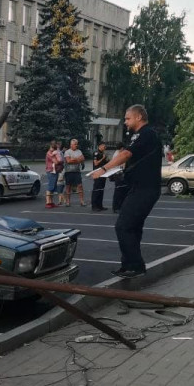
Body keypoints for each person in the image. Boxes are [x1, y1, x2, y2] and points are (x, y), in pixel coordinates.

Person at [90, 104, 162, 279]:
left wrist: (103, 169)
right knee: (133, 228)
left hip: (146, 189)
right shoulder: (138, 136)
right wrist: (120, 175)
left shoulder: (147, 134)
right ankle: (129, 265)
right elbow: (137, 163)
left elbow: (125, 155)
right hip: (138, 187)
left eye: (128, 118)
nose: (125, 122)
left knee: (123, 226)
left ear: (139, 117)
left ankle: (135, 266)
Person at [63, 139, 86, 207]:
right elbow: (68, 161)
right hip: (69, 172)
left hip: (77, 171)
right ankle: (68, 202)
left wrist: (74, 159)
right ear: (71, 145)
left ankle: (82, 201)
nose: (76, 145)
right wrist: (78, 159)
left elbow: (83, 158)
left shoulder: (79, 151)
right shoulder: (67, 152)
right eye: (75, 144)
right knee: (68, 187)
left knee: (80, 186)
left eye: (77, 144)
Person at [90, 142, 109, 211]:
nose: (105, 147)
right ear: (100, 146)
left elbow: (105, 163)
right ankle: (94, 206)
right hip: (97, 173)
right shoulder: (96, 153)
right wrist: (103, 158)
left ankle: (100, 205)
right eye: (104, 146)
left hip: (103, 173)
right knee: (97, 189)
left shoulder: (103, 153)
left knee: (101, 189)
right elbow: (96, 163)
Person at [44, 141, 61, 209]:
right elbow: (56, 162)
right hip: (50, 171)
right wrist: (56, 156)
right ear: (50, 147)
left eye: (55, 148)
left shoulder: (53, 153)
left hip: (54, 171)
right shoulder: (49, 153)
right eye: (53, 148)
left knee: (53, 187)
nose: (53, 149)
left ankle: (51, 202)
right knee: (50, 187)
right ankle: (48, 202)